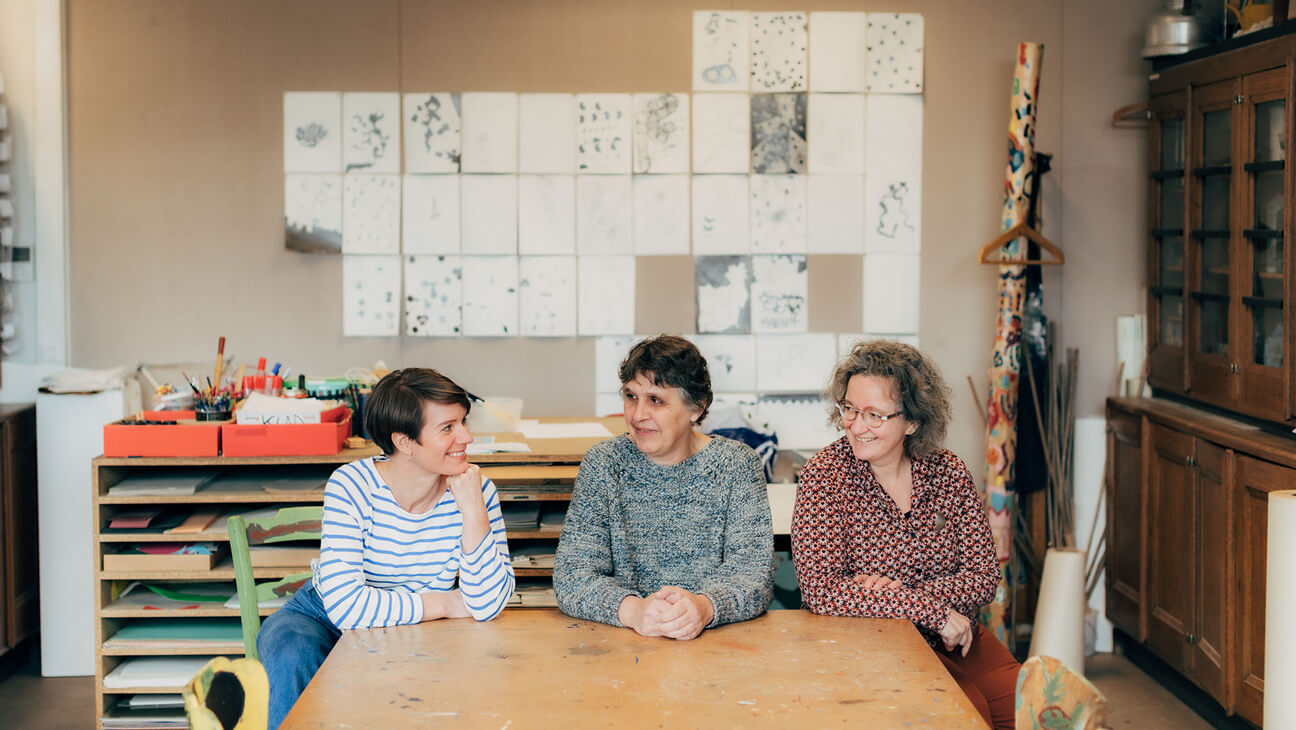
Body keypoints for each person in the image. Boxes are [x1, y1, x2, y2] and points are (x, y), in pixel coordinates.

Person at [258, 368, 514, 728]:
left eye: (464, 422)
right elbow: (346, 608)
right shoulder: (352, 485)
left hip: (418, 627)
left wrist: (474, 513)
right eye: (448, 428)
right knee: (290, 652)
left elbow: (486, 605)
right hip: (322, 616)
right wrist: (444, 603)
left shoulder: (476, 489)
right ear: (404, 442)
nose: (467, 437)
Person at [791, 340, 1019, 730]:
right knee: (969, 716)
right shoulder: (825, 475)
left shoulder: (948, 472)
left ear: (912, 421)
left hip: (954, 636)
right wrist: (931, 611)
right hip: (869, 644)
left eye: (874, 415)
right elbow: (821, 590)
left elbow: (984, 576)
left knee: (1032, 710)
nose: (856, 425)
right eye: (849, 408)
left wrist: (905, 597)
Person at [554, 334, 773, 640]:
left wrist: (704, 606)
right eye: (631, 397)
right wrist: (633, 610)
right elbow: (572, 576)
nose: (638, 415)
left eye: (656, 400)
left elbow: (753, 575)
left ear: (696, 408)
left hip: (716, 646)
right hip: (622, 645)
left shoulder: (737, 465)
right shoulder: (604, 464)